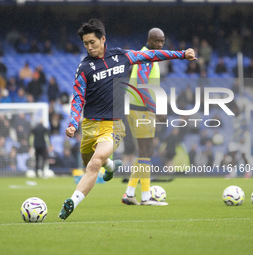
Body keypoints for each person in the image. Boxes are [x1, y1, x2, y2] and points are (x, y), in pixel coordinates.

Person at [58, 19, 197, 220]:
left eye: (92, 42)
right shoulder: (84, 68)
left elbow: (152, 55)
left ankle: (72, 202)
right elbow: (78, 98)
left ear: (103, 39)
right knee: (93, 162)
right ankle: (111, 166)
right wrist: (72, 123)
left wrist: (182, 54)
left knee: (94, 164)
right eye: (86, 43)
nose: (89, 47)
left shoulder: (121, 56)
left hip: (113, 125)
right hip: (89, 126)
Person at [121, 28, 168, 206]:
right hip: (141, 109)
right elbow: (141, 84)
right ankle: (143, 196)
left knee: (145, 153)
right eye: (157, 41)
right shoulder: (146, 57)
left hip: (139, 108)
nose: (160, 44)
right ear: (149, 40)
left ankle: (133, 194)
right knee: (146, 152)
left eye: (162, 41)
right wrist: (156, 109)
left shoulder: (147, 56)